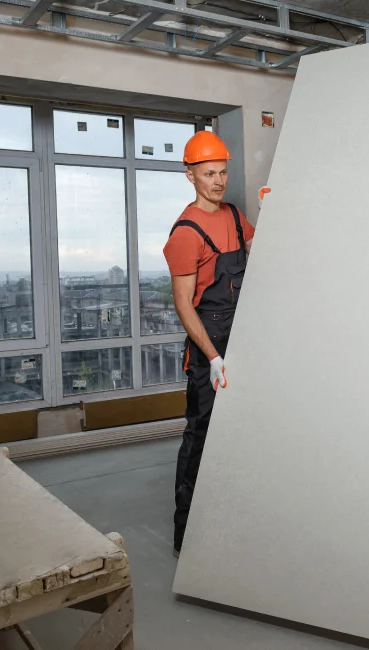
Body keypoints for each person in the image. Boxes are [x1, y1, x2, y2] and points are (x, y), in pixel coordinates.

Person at [165, 131, 255, 558]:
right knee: (200, 439)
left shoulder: (236, 218)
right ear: (190, 176)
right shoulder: (185, 232)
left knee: (242, 438)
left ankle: (233, 524)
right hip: (210, 351)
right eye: (209, 174)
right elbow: (183, 305)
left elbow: (266, 251)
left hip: (245, 339)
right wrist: (214, 357)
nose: (218, 181)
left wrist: (276, 212)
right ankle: (188, 538)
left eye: (222, 172)